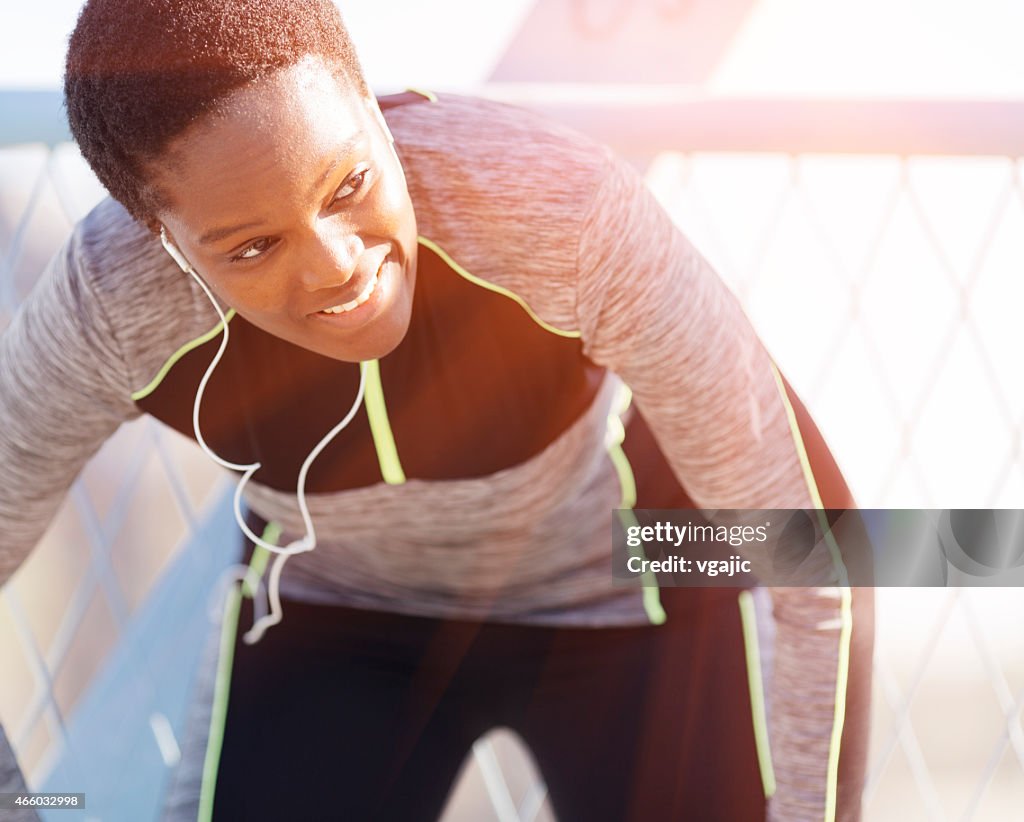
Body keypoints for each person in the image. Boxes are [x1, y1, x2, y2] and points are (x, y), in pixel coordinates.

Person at [0, 0, 873, 819]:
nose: (337, 266)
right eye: (254, 246)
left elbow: (816, 550)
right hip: (338, 614)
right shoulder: (109, 307)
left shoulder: (560, 210)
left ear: (376, 110)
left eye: (346, 186)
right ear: (161, 239)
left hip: (630, 576)